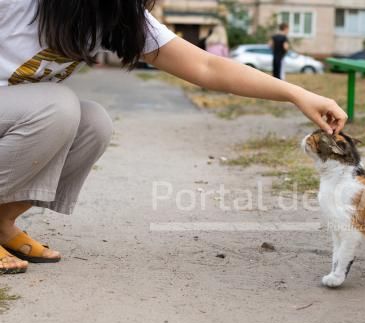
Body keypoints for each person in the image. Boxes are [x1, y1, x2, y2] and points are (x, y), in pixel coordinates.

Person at [0, 0, 347, 274]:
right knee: (58, 106)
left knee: (93, 124)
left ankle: (3, 222)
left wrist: (297, 94)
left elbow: (206, 67)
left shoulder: (113, 12)